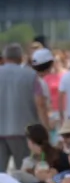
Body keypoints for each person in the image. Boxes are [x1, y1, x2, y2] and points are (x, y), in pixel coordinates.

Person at [0, 43, 48, 172]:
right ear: (21, 58)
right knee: (23, 172)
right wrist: (45, 127)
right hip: (23, 131)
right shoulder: (31, 76)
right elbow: (40, 103)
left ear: (4, 58)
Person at [31, 47, 60, 129]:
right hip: (37, 127)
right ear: (50, 64)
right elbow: (41, 106)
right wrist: (47, 128)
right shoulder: (40, 83)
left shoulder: (29, 79)